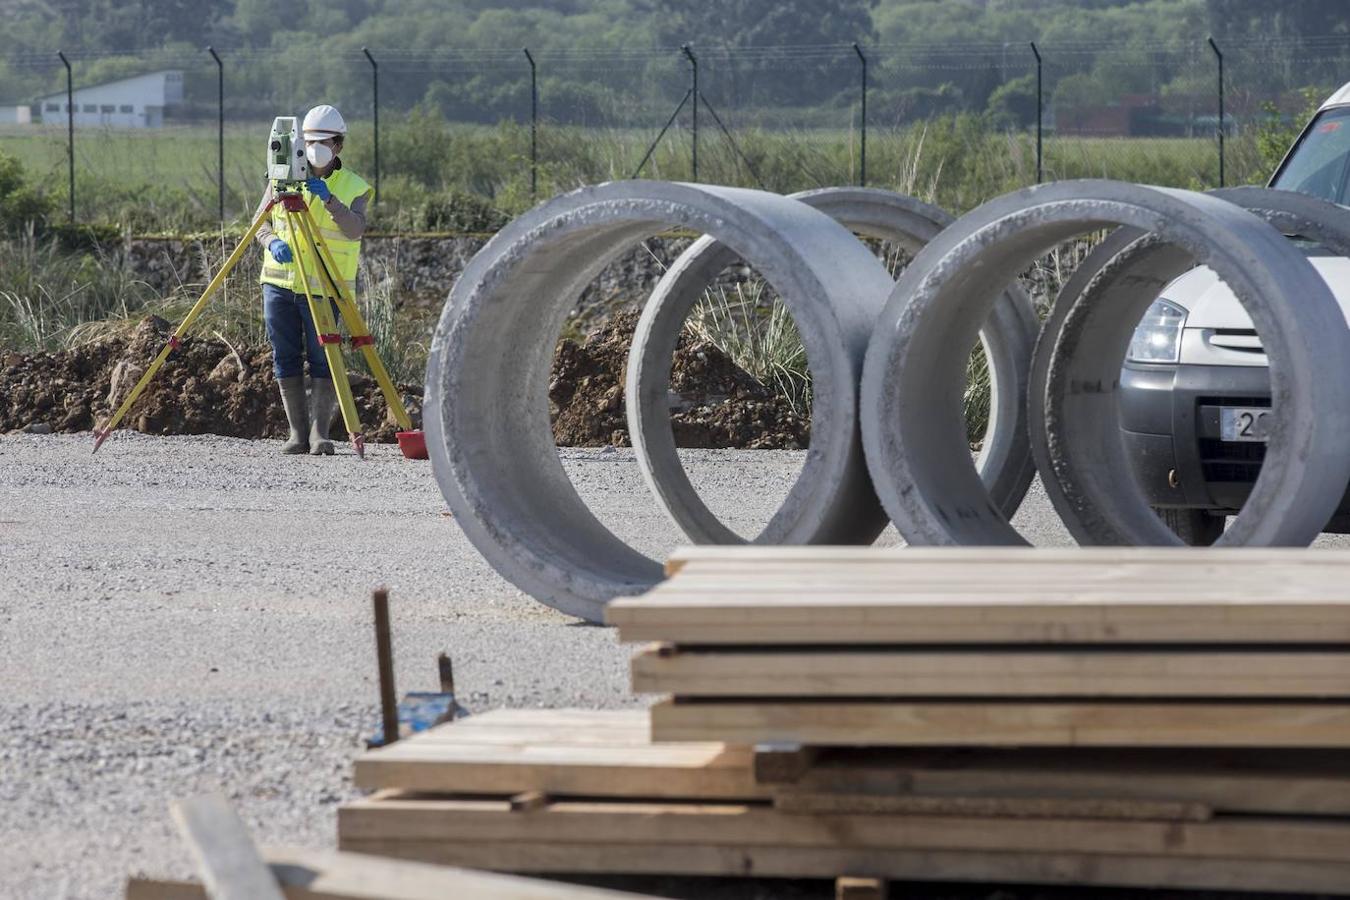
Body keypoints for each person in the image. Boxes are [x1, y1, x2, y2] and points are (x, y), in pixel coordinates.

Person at [254, 104, 373, 455]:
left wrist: (331, 201)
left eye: (324, 142)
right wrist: (271, 240)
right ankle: (297, 433)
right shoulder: (282, 178)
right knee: (285, 356)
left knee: (325, 360)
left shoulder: (354, 187)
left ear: (338, 146)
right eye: (309, 142)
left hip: (324, 289)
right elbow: (259, 223)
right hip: (279, 284)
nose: (316, 150)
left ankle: (321, 434)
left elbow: (354, 231)